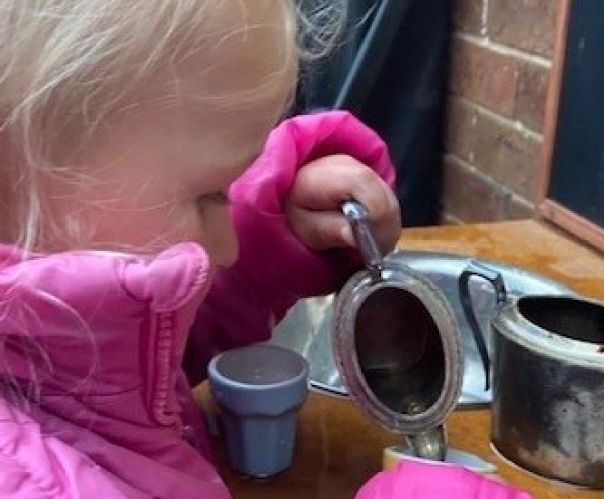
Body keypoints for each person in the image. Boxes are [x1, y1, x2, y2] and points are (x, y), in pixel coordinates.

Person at [0, 1, 400, 497]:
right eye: (210, 194)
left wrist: (273, 240)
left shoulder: (53, 343)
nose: (228, 246)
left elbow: (131, 361)